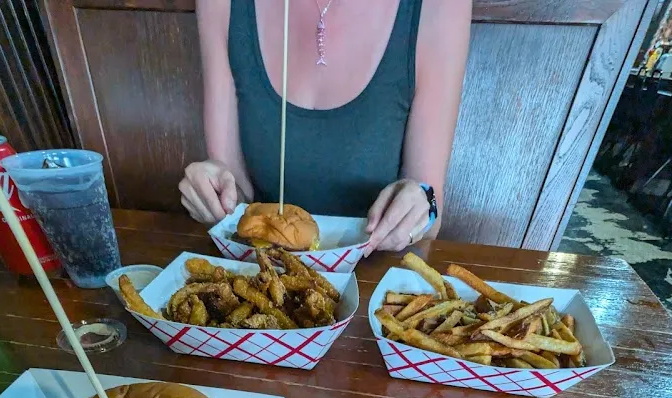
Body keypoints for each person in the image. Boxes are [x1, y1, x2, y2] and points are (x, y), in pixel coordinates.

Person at [180, 0, 471, 254]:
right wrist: (212, 192)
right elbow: (236, 197)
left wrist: (421, 204)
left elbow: (432, 208)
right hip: (263, 277)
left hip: (373, 288)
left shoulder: (440, 5)